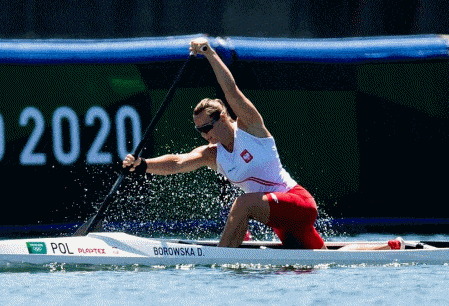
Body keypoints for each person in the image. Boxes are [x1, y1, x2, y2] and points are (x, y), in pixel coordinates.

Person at [121, 37, 325, 249]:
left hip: (298, 202)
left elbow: (231, 90)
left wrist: (209, 53)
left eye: (207, 127)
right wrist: (142, 164)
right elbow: (179, 162)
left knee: (242, 203)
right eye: (199, 130)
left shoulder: (250, 127)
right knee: (322, 257)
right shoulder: (213, 154)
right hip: (278, 219)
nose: (204, 134)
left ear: (224, 117)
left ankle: (222, 256)